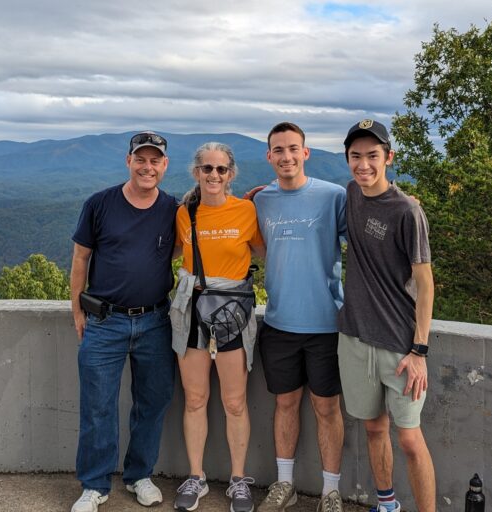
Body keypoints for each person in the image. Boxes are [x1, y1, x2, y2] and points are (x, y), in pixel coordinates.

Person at [69, 131, 178, 512]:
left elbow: (209, 221)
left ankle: (138, 476)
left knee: (152, 402)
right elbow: (80, 258)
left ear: (165, 166)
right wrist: (77, 311)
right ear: (128, 161)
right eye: (141, 159)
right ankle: (94, 485)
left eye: (155, 160)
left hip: (156, 321)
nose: (147, 167)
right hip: (106, 322)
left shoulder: (173, 209)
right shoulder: (100, 204)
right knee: (97, 406)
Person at [338, 119, 436, 512]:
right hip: (355, 336)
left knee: (410, 439)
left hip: (400, 344)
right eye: (356, 156)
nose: (364, 164)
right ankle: (387, 504)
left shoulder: (407, 211)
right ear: (347, 159)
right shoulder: (350, 193)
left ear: (388, 158)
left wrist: (420, 350)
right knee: (374, 427)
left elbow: (425, 285)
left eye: (372, 156)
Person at [249, 122, 347, 512]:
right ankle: (284, 485)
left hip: (326, 323)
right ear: (269, 156)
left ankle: (330, 492)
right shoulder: (261, 200)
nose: (286, 156)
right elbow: (246, 242)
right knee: (285, 405)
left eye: (293, 149)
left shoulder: (333, 196)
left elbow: (368, 228)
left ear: (306, 153)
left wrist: (406, 202)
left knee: (327, 409)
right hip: (279, 322)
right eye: (278, 150)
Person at [169, 142, 264, 512]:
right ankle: (197, 476)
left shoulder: (247, 211)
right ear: (196, 172)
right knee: (195, 399)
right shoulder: (183, 214)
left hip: (232, 315)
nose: (213, 176)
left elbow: (265, 250)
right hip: (192, 312)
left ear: (231, 174)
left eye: (221, 170)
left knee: (235, 402)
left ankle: (238, 480)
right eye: (207, 169)